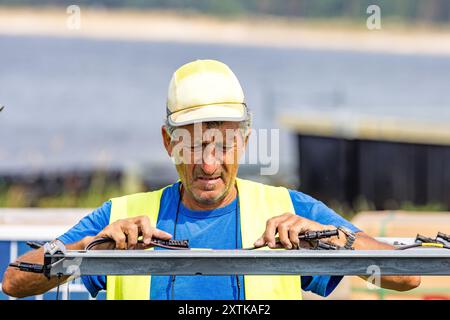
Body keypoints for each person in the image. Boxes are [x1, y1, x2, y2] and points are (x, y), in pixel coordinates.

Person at [2, 59, 420, 300]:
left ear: (246, 142)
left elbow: (404, 277)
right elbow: (16, 281)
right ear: (168, 143)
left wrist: (332, 238)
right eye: (194, 146)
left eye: (223, 145)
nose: (208, 164)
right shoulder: (124, 218)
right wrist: (90, 250)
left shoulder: (291, 212)